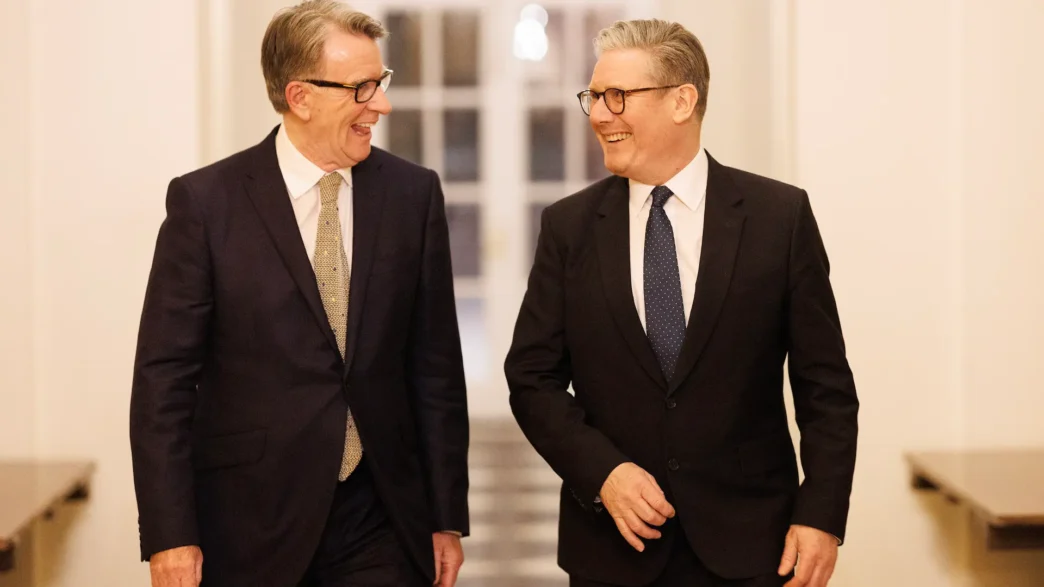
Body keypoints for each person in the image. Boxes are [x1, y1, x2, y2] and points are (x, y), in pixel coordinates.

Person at [504, 19, 858, 587]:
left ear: (681, 101)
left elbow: (827, 391)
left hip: (753, 546)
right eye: (594, 97)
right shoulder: (568, 228)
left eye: (618, 96)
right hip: (614, 548)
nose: (598, 114)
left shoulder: (779, 218)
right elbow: (531, 378)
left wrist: (820, 516)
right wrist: (603, 473)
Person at [129, 2, 469, 585]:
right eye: (361, 88)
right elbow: (163, 383)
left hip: (381, 515)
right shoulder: (206, 205)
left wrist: (446, 516)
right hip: (247, 522)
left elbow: (434, 369)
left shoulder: (413, 196)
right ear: (301, 95)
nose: (380, 105)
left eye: (379, 83)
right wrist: (171, 534)